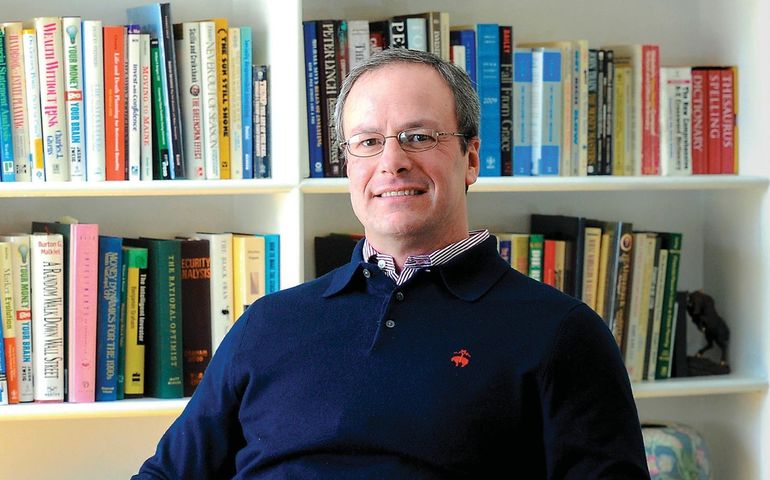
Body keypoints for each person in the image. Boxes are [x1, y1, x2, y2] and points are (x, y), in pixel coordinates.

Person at [134, 48, 649, 478]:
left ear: (471, 157)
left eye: (419, 137)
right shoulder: (270, 321)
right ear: (347, 166)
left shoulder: (560, 333)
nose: (392, 161)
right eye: (368, 142)